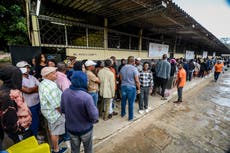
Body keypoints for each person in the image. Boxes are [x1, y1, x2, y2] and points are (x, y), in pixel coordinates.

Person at [61, 71, 99, 153]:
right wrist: (92, 121)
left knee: (74, 150)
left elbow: (63, 109)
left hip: (71, 129)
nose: (87, 82)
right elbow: (94, 116)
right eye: (86, 80)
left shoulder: (65, 93)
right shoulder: (86, 97)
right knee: (88, 150)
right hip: (85, 129)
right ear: (83, 81)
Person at [0, 65, 32, 149]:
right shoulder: (7, 96)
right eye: (18, 76)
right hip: (17, 133)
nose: (20, 79)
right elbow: (10, 122)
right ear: (11, 78)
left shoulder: (11, 89)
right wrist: (20, 132)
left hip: (22, 128)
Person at [38, 67, 67, 153]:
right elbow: (57, 104)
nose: (56, 74)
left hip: (48, 112)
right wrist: (62, 113)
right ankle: (56, 149)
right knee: (55, 132)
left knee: (52, 129)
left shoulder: (43, 83)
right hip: (55, 113)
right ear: (47, 75)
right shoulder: (51, 86)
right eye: (54, 73)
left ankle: (54, 146)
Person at [16, 61, 40, 137]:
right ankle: (33, 137)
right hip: (28, 105)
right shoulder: (18, 79)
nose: (27, 69)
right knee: (29, 123)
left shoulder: (32, 77)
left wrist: (31, 89)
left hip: (37, 102)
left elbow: (40, 87)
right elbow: (27, 91)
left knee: (36, 121)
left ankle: (35, 135)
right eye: (25, 67)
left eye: (27, 67)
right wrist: (33, 89)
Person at [120, 56, 140, 121]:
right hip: (131, 87)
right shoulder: (134, 69)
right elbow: (137, 80)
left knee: (123, 101)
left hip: (123, 86)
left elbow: (120, 78)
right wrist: (138, 89)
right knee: (131, 103)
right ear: (133, 61)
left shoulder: (122, 68)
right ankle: (130, 117)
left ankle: (123, 114)